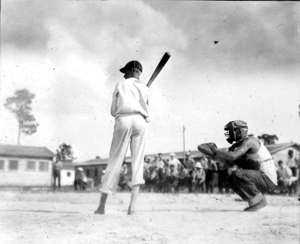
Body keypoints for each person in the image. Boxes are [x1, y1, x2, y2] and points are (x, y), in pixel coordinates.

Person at [94, 60, 150, 215]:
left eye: (126, 71)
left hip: (123, 119)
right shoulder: (145, 88)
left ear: (133, 70)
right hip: (140, 121)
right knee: (138, 163)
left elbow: (113, 110)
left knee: (114, 161)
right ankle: (132, 208)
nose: (124, 74)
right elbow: (148, 112)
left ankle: (101, 207)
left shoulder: (120, 84)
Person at [210, 120, 277, 212]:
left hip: (268, 179)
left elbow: (233, 155)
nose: (229, 134)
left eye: (231, 131)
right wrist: (212, 153)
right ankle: (254, 202)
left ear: (240, 131)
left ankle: (260, 201)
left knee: (237, 174)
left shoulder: (250, 140)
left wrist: (215, 150)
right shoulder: (239, 144)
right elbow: (228, 160)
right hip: (260, 178)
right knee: (230, 178)